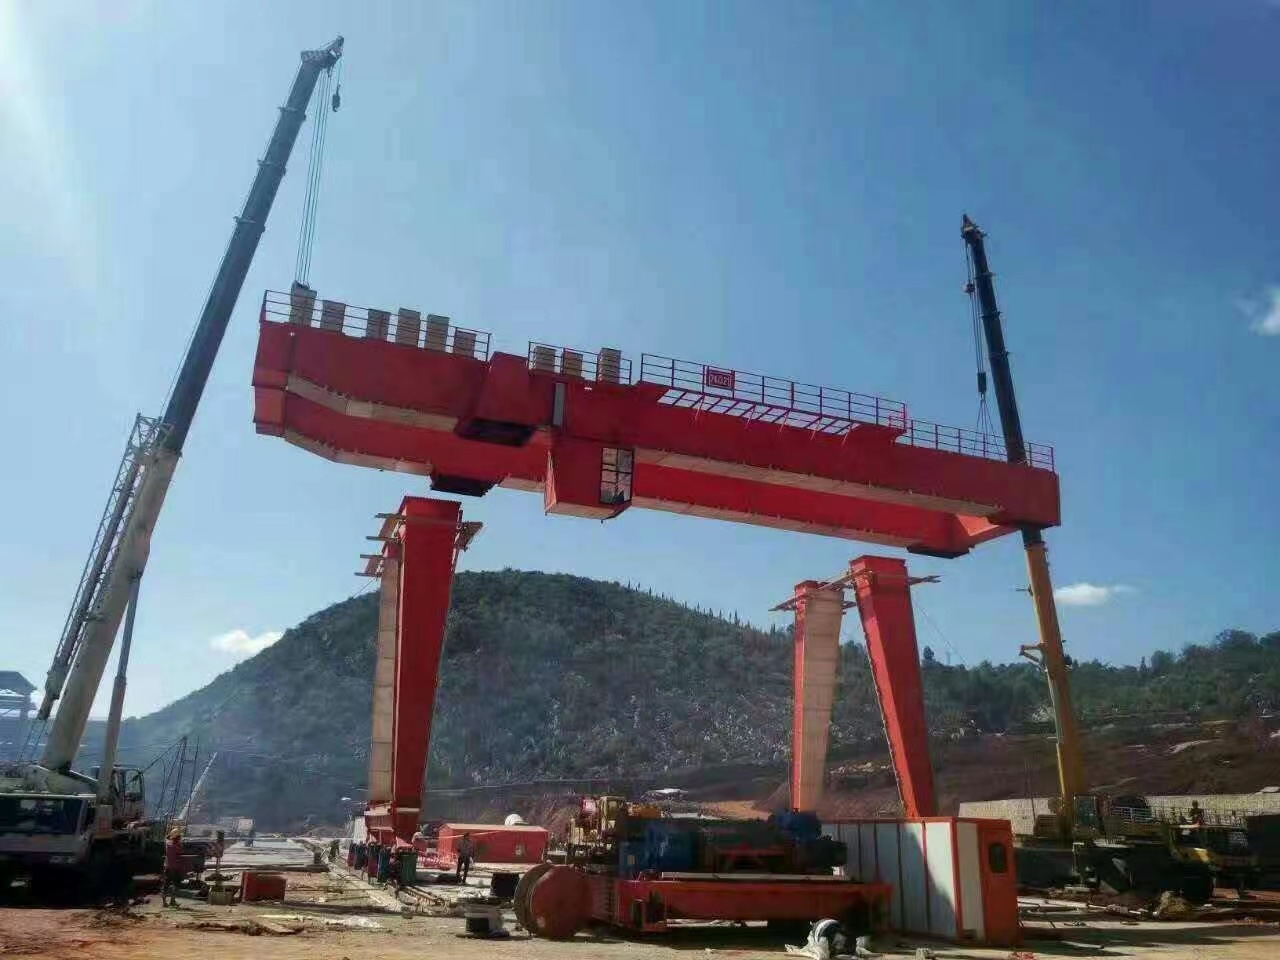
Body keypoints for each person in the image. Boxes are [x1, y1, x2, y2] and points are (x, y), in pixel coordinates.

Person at [162, 828, 185, 907]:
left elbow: (166, 839)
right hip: (175, 868)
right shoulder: (178, 845)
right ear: (178, 837)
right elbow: (181, 852)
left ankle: (164, 902)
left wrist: (170, 835)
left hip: (168, 866)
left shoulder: (168, 844)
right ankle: (172, 900)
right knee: (175, 884)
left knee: (166, 884)